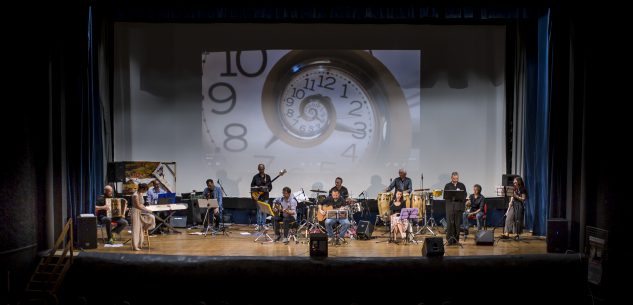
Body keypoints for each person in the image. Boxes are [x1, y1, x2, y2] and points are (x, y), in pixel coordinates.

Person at [130, 183, 155, 251]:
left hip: (140, 211)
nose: (145, 191)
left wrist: (148, 209)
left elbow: (141, 204)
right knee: (136, 229)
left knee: (151, 218)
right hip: (135, 212)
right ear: (142, 189)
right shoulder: (135, 195)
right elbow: (137, 205)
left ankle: (140, 243)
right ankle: (135, 246)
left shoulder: (140, 194)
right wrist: (146, 210)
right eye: (145, 190)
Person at [444, 171, 467, 245]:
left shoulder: (461, 185)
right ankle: (449, 240)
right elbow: (445, 196)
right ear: (451, 178)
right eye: (454, 178)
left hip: (458, 206)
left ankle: (456, 240)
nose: (456, 180)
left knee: (457, 224)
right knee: (450, 224)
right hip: (450, 206)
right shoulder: (447, 185)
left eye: (457, 178)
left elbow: (464, 195)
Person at [251, 163, 272, 231]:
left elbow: (270, 187)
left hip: (265, 196)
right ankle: (258, 224)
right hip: (258, 197)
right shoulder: (255, 177)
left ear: (264, 169)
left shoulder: (267, 177)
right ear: (258, 169)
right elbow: (252, 186)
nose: (261, 170)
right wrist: (254, 193)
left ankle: (263, 224)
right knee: (259, 211)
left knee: (265, 211)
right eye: (260, 169)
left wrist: (266, 189)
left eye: (262, 168)